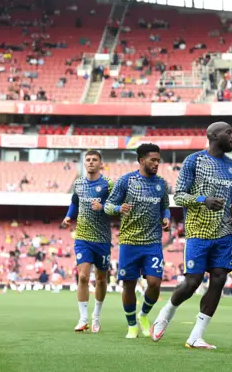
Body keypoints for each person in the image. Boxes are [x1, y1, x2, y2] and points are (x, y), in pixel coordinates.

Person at [151, 122, 232, 350]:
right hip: (198, 231)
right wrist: (203, 200)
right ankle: (165, 314)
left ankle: (196, 336)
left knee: (219, 279)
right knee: (192, 282)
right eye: (229, 133)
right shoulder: (194, 161)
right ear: (213, 135)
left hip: (224, 233)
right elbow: (179, 196)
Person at [105, 143, 171, 338]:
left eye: (158, 160)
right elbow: (108, 205)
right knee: (129, 285)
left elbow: (165, 206)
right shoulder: (126, 181)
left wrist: (166, 217)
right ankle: (132, 325)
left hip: (153, 242)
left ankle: (143, 315)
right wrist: (118, 209)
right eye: (153, 160)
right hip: (129, 242)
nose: (157, 164)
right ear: (141, 160)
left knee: (154, 282)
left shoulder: (161, 184)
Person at [62, 150, 114, 333]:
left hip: (103, 239)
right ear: (85, 164)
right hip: (83, 237)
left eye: (94, 160)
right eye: (88, 160)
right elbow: (75, 203)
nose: (91, 162)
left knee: (101, 279)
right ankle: (83, 318)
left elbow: (115, 208)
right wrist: (69, 217)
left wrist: (103, 207)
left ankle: (96, 316)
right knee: (83, 276)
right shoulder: (78, 184)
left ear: (101, 164)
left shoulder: (108, 184)